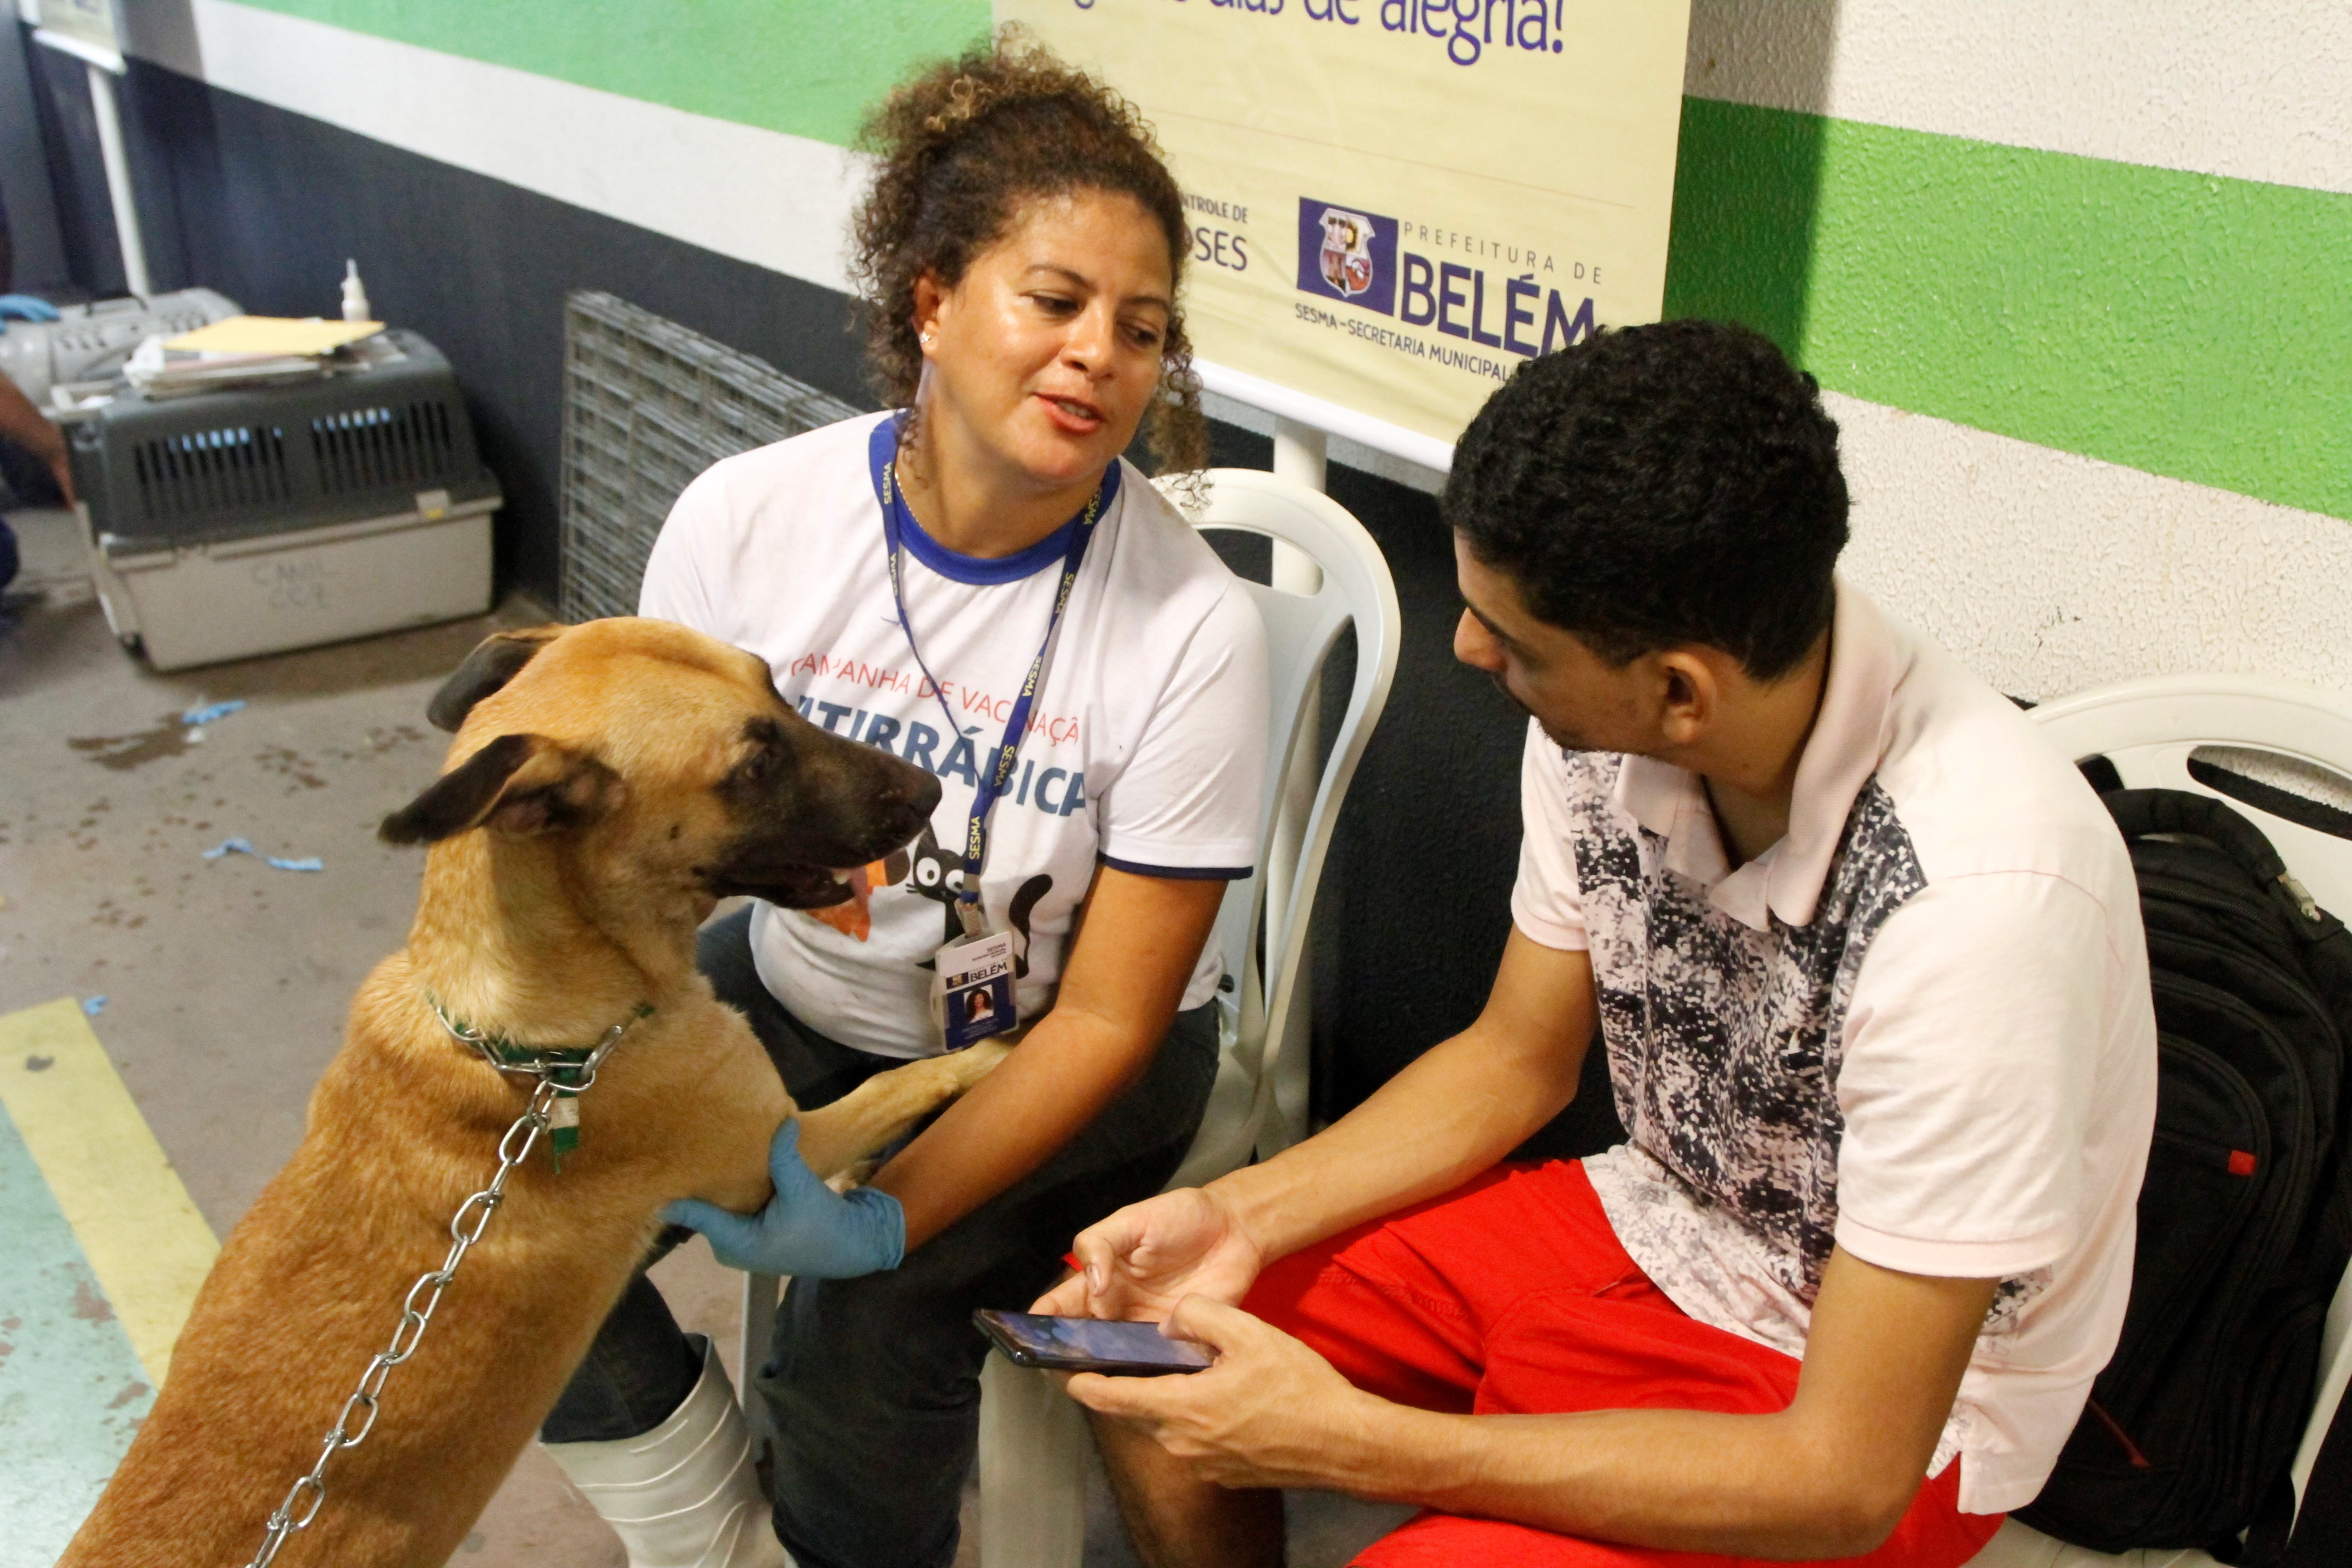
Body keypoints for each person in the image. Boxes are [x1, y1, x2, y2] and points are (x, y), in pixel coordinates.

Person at [1041, 321, 2158, 1568]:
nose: (1471, 653)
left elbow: (1840, 1479)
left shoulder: (1981, 905)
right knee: (1151, 1342)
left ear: (1682, 690)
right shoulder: (1604, 711)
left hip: (1865, 1393)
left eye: (1511, 641)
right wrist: (1233, 1216)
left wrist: (1347, 1441)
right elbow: (1516, 1059)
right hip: (1659, 1215)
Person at [534, 35, 1269, 1568]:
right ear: (932, 300)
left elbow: (1108, 1024)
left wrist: (881, 1218)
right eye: (1053, 301)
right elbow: (644, 860)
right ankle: (715, 1541)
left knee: (861, 1357)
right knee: (507, 1217)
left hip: (1059, 1063)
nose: (1098, 357)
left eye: (1141, 329)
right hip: (796, 990)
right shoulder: (752, 521)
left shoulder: (1193, 628)